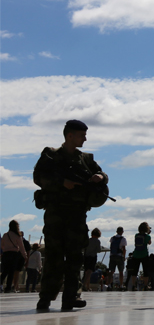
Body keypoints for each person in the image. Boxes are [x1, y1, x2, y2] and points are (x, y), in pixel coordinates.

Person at [33, 120, 108, 311]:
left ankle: (71, 297)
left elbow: (101, 173)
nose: (85, 138)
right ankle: (46, 298)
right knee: (54, 258)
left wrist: (100, 176)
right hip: (56, 215)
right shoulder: (51, 155)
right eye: (81, 135)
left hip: (77, 216)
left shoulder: (85, 159)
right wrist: (62, 182)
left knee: (75, 258)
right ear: (69, 136)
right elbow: (38, 177)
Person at [1, 221, 28, 293]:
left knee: (5, 271)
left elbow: (2, 245)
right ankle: (8, 288)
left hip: (6, 254)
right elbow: (22, 247)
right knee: (11, 272)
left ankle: (1, 283)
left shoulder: (5, 235)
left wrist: (5, 250)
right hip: (14, 254)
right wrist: (25, 256)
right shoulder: (17, 235)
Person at [130, 222, 154, 291]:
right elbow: (149, 243)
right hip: (144, 254)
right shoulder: (147, 236)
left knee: (135, 271)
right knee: (145, 271)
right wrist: (148, 234)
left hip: (136, 254)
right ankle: (146, 286)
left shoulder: (136, 235)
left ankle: (133, 285)